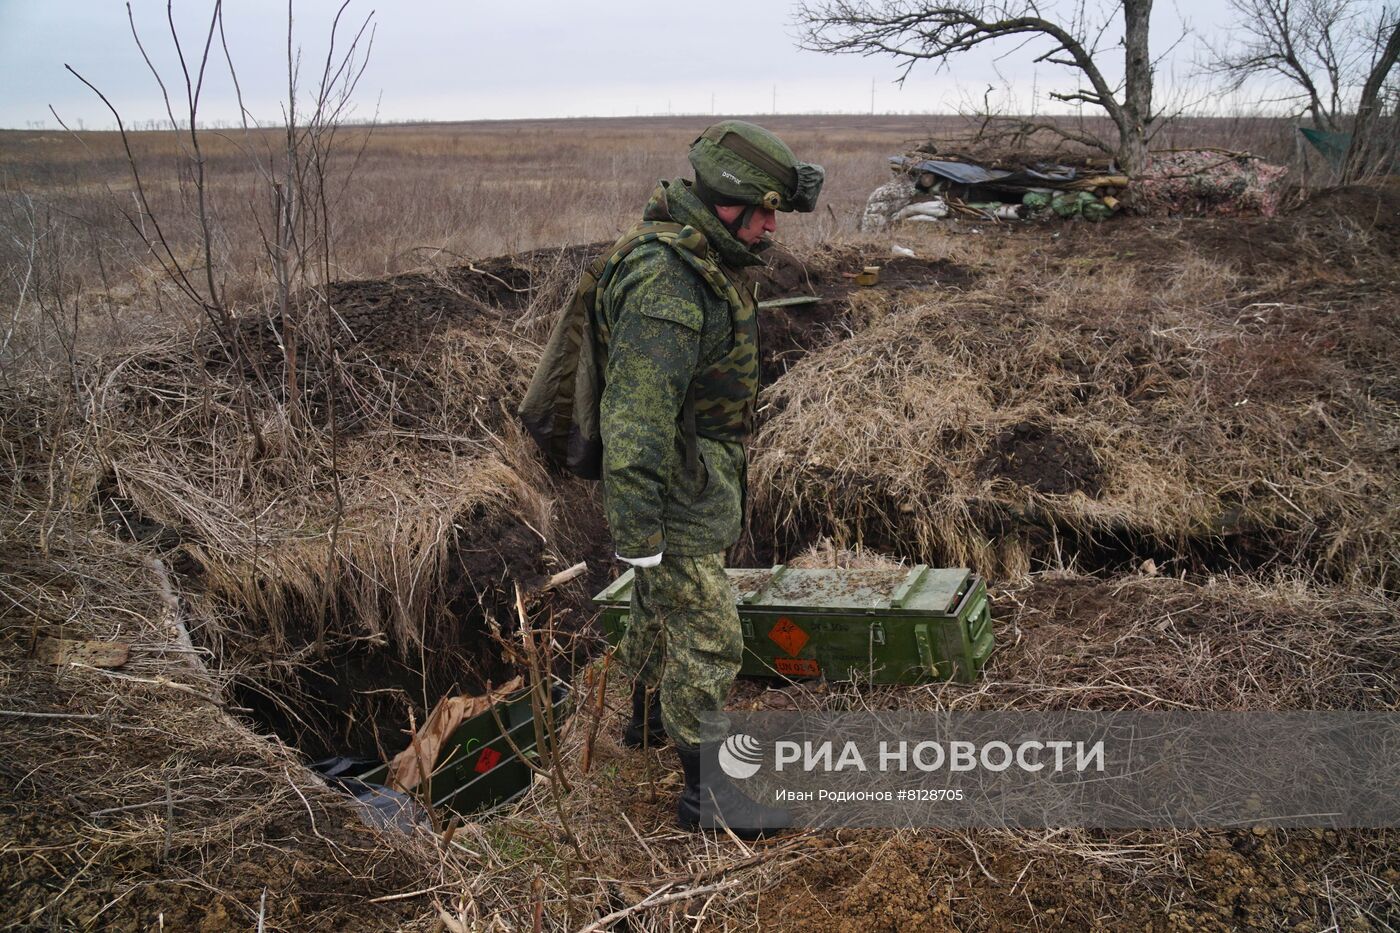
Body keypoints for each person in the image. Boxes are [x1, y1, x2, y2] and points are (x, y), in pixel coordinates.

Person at [597, 121, 823, 838]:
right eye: (760, 208)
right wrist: (639, 535)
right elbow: (635, 421)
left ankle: (639, 722)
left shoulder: (702, 259)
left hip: (695, 481)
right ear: (722, 199)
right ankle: (708, 799)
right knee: (711, 634)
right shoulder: (668, 283)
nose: (770, 224)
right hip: (673, 491)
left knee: (659, 611)